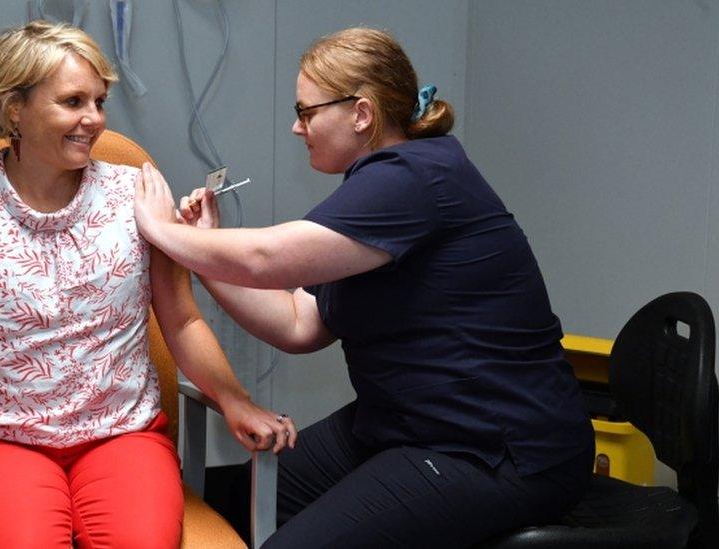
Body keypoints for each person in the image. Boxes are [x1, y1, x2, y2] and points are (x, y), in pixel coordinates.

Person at [134, 27, 595, 548]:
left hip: (494, 448)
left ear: (361, 114)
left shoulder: (415, 176)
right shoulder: (376, 190)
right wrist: (205, 251)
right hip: (401, 422)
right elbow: (297, 324)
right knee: (228, 503)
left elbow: (268, 260)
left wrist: (161, 231)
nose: (295, 126)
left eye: (306, 112)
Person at [0, 21, 295, 549]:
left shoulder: (136, 198)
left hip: (121, 437)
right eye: (73, 101)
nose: (94, 120)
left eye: (99, 101)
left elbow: (183, 319)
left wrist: (234, 399)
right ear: (15, 109)